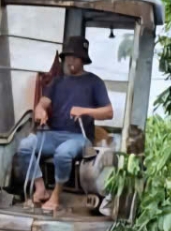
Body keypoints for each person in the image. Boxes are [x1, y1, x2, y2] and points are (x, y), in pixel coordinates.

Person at [15, 36, 113, 212]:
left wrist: (84, 111)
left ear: (82, 60)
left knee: (63, 153)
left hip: (80, 138)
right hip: (53, 134)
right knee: (24, 146)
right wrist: (40, 111)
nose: (70, 61)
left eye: (74, 57)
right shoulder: (57, 82)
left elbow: (108, 112)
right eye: (67, 57)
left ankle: (56, 196)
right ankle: (41, 188)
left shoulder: (94, 82)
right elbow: (42, 103)